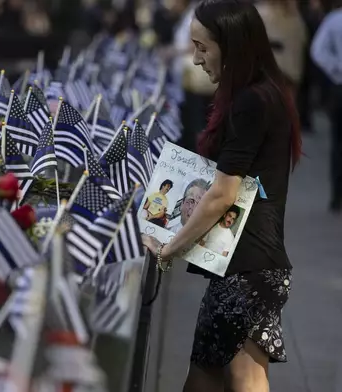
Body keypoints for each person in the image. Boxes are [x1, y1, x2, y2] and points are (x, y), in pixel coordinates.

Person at [142, 1, 301, 391]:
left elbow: (221, 195)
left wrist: (169, 248)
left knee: (239, 378)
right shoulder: (261, 93)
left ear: (230, 45)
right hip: (245, 267)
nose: (195, 59)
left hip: (249, 270)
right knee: (203, 380)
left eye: (202, 47)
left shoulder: (251, 101)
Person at [310, 1, 342, 212]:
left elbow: (318, 50)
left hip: (339, 87)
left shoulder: (334, 19)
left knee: (338, 143)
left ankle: (337, 195)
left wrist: (336, 70)